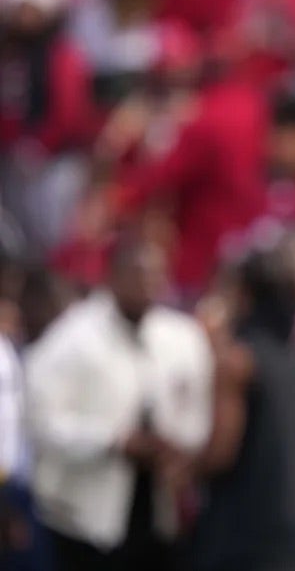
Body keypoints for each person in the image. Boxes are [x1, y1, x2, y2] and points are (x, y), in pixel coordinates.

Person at [23, 234, 214, 571]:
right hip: (84, 515)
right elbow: (41, 422)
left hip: (158, 509)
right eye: (137, 273)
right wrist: (113, 441)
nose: (147, 283)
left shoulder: (182, 337)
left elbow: (196, 414)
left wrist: (176, 448)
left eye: (156, 273)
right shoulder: (74, 338)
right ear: (112, 275)